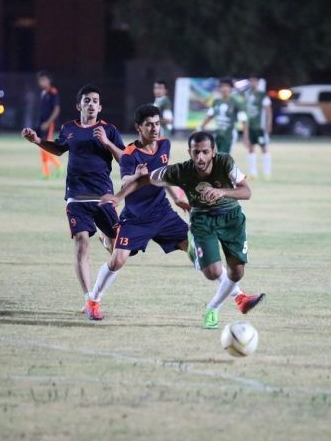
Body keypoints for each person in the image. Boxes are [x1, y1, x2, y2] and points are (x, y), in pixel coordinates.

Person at [100, 131, 265, 329]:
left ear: (213, 151)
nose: (200, 157)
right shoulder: (180, 171)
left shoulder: (225, 162)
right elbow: (144, 180)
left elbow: (246, 191)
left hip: (231, 219)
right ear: (189, 152)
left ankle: (219, 304)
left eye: (205, 152)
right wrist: (118, 197)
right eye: (196, 152)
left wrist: (222, 192)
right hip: (202, 220)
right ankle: (216, 306)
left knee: (237, 273)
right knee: (212, 273)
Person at [21, 84, 125, 309]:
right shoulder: (69, 128)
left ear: (100, 107)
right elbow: (59, 149)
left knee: (119, 251)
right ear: (79, 106)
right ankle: (90, 298)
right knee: (81, 243)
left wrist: (107, 143)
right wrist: (37, 141)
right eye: (87, 101)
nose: (91, 104)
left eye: (95, 101)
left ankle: (104, 244)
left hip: (103, 196)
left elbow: (124, 159)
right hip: (77, 196)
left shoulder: (109, 130)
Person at [84, 104, 191, 320]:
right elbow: (125, 181)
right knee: (117, 261)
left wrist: (177, 198)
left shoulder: (165, 144)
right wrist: (136, 176)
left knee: (197, 250)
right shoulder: (130, 155)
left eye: (157, 124)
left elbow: (163, 174)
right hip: (135, 218)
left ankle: (238, 295)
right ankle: (93, 300)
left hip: (163, 213)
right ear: (138, 128)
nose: (154, 128)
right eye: (149, 125)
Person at [198, 78, 249, 154]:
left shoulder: (236, 103)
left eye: (227, 86)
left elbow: (244, 121)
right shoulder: (216, 102)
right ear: (219, 88)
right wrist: (199, 128)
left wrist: (245, 136)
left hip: (229, 135)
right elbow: (209, 116)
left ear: (231, 88)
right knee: (215, 156)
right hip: (218, 134)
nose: (224, 88)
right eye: (222, 86)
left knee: (224, 157)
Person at [244, 74, 272, 178]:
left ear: (258, 82)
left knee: (264, 148)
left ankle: (266, 172)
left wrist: (269, 124)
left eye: (255, 81)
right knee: (251, 148)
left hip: (260, 127)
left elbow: (268, 111)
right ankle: (253, 173)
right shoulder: (247, 94)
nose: (253, 83)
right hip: (250, 126)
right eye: (251, 81)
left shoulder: (262, 95)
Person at [36, 70, 63, 179]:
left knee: (45, 147)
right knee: (42, 147)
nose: (42, 82)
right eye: (40, 80)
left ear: (49, 80)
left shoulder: (53, 93)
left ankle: (57, 167)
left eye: (44, 80)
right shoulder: (43, 93)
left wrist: (48, 123)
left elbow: (56, 110)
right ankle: (47, 173)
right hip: (42, 124)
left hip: (49, 124)